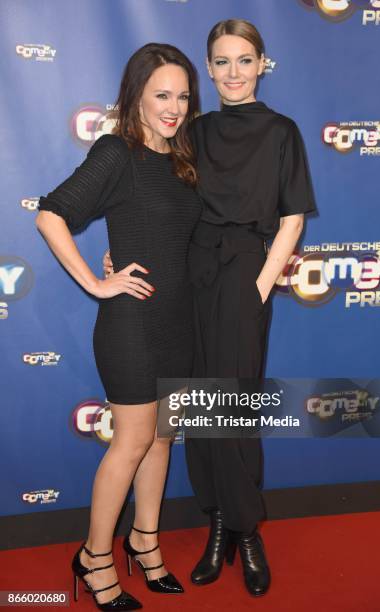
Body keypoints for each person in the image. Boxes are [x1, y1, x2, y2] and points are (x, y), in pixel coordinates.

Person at [104, 19, 317, 598]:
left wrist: (259, 286)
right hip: (187, 272)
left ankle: (247, 529)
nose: (232, 73)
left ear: (261, 64)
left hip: (245, 270)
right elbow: (156, 199)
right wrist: (116, 256)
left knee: (236, 403)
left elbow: (292, 215)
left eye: (243, 60)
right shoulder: (190, 131)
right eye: (220, 62)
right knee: (193, 404)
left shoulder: (282, 131)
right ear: (209, 70)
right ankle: (216, 523)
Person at [36, 43, 202, 611]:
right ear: (135, 95)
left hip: (180, 320)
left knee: (162, 438)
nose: (174, 106)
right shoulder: (116, 152)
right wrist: (95, 280)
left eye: (182, 95)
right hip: (130, 323)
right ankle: (94, 557)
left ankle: (146, 543)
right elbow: (51, 213)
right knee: (131, 441)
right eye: (162, 95)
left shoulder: (184, 159)